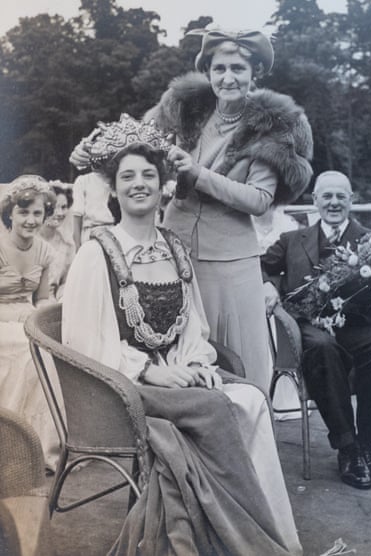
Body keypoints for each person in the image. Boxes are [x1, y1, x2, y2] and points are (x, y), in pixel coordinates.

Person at [62, 117, 302, 556]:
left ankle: (272, 530)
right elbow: (82, 342)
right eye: (127, 177)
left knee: (251, 399)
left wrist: (194, 363)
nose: (139, 185)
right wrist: (150, 372)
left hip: (175, 377)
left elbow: (193, 324)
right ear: (112, 190)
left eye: (148, 175)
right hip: (119, 386)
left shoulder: (174, 249)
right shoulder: (96, 253)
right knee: (214, 408)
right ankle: (256, 544)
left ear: (164, 186)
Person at [70, 27, 313, 392]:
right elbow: (131, 142)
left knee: (241, 365)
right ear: (208, 71)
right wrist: (87, 153)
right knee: (181, 356)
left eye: (237, 69)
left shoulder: (269, 127)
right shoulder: (184, 108)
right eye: (219, 69)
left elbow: (259, 199)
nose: (227, 78)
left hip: (232, 262)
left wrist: (198, 174)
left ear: (255, 73)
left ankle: (245, 440)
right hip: (174, 253)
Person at [261, 170, 371, 490]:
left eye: (341, 196)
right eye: (327, 196)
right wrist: (267, 285)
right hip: (311, 326)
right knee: (323, 347)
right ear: (315, 201)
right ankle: (348, 448)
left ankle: (366, 443)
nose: (334, 202)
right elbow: (259, 265)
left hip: (357, 325)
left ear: (352, 200)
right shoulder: (290, 241)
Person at [0, 175, 61, 471]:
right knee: (23, 349)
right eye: (23, 212)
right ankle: (9, 446)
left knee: (46, 351)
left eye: (38, 213)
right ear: (9, 213)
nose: (31, 220)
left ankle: (35, 447)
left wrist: (47, 325)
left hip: (28, 318)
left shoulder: (46, 252)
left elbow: (43, 299)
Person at [39, 181, 75, 300]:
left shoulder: (68, 245)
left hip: (53, 302)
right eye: (54, 207)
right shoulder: (29, 240)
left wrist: (62, 298)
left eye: (64, 207)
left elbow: (66, 282)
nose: (59, 213)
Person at [71, 170, 115, 250]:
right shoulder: (84, 181)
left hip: (114, 231)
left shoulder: (118, 179)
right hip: (91, 232)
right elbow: (77, 217)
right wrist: (78, 248)